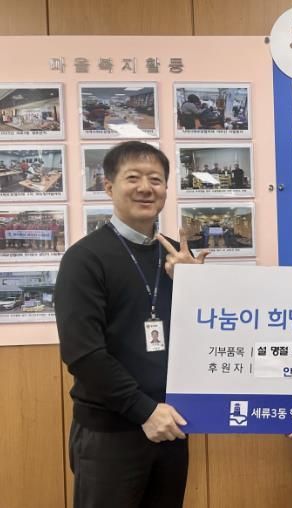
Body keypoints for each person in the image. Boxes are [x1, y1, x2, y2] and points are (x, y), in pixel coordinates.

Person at [54, 141, 208, 508]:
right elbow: (83, 353)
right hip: (110, 431)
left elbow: (204, 338)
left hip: (171, 424)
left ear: (166, 189)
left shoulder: (177, 257)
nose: (145, 188)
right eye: (133, 178)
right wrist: (144, 410)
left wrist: (195, 286)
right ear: (109, 187)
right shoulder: (84, 259)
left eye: (156, 179)